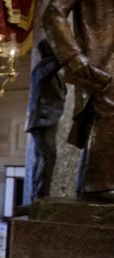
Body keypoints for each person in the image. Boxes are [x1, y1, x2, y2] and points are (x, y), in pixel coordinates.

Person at [43, 0, 114, 201]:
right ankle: (97, 186)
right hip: (101, 64)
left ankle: (97, 185)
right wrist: (73, 57)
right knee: (109, 110)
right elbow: (53, 12)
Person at [26, 39, 67, 200]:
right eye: (54, 47)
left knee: (43, 156)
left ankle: (38, 195)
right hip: (42, 120)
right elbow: (62, 59)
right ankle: (41, 196)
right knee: (48, 156)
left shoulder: (55, 74)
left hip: (49, 119)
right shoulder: (43, 67)